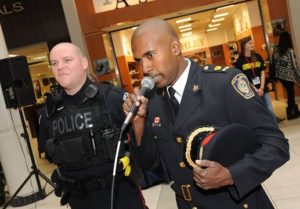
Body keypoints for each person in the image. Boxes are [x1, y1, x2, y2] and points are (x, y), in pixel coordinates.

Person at [123, 19, 289, 209]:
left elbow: (276, 145)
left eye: (150, 55)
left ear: (175, 47)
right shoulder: (152, 100)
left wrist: (231, 175)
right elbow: (149, 163)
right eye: (139, 60)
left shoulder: (223, 83)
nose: (145, 69)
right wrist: (138, 123)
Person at [38, 42, 147, 209]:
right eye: (54, 63)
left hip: (119, 196)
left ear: (83, 63)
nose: (60, 67)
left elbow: (143, 146)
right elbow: (50, 152)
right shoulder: (50, 111)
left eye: (67, 60)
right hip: (79, 200)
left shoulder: (112, 98)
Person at [234, 36, 283, 123]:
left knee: (269, 108)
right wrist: (255, 89)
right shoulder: (240, 61)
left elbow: (262, 72)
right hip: (251, 90)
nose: (252, 45)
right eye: (250, 43)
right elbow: (242, 78)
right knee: (258, 111)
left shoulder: (257, 56)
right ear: (244, 45)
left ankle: (274, 126)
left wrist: (262, 87)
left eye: (252, 43)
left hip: (263, 87)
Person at [272, 31, 300, 120]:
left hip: (280, 76)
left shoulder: (276, 49)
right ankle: (291, 112)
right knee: (290, 92)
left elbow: (275, 62)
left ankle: (292, 111)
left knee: (290, 92)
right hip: (289, 76)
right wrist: (299, 76)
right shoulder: (290, 50)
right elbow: (295, 66)